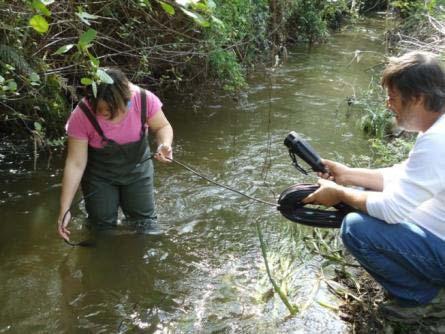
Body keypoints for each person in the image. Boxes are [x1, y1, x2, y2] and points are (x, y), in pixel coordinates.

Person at [303, 51, 445, 322]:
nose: (388, 103)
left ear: (417, 98)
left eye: (392, 96)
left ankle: (423, 298)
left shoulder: (438, 141)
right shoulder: (438, 129)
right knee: (367, 197)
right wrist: (347, 175)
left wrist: (339, 194)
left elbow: (392, 210)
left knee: (356, 228)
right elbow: (403, 175)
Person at [57, 68, 173, 239]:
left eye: (112, 109)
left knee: (145, 225)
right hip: (99, 176)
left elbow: (162, 126)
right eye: (101, 109)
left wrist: (164, 144)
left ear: (125, 100)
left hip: (138, 170)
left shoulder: (142, 99)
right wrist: (64, 209)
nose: (106, 114)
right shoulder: (81, 115)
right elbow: (75, 163)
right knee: (101, 228)